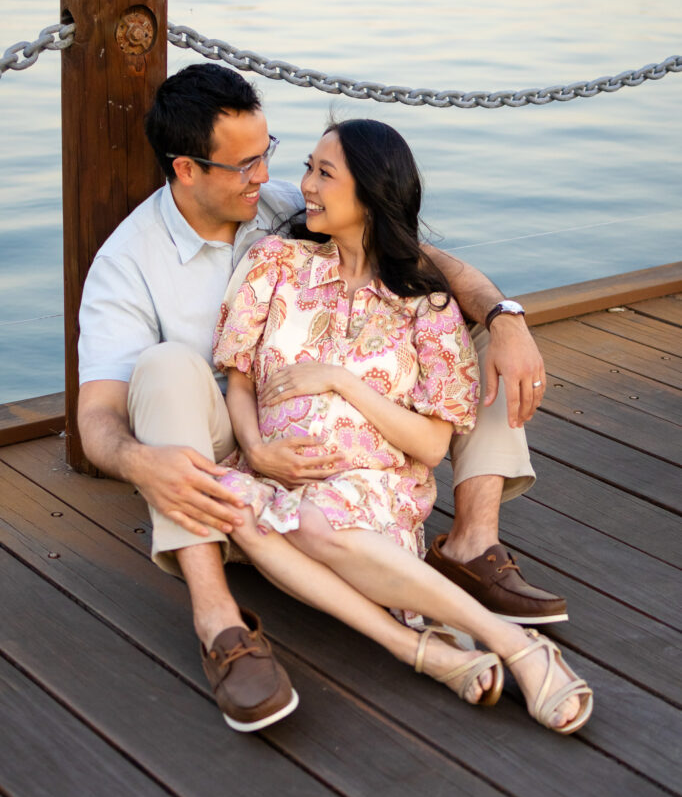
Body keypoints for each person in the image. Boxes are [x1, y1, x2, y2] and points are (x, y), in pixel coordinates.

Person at [77, 62, 563, 731]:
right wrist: (140, 462)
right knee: (163, 367)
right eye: (246, 164)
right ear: (187, 169)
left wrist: (507, 316)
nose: (269, 178)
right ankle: (220, 622)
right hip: (217, 439)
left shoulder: (283, 208)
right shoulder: (127, 265)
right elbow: (98, 418)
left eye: (269, 154)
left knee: (474, 329)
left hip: (348, 440)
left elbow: (420, 259)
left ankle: (471, 545)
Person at [209, 118, 593, 736]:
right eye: (307, 166)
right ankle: (426, 652)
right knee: (233, 504)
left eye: (323, 173)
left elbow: (433, 444)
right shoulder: (274, 263)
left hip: (374, 489)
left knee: (308, 519)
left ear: (371, 192)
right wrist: (256, 448)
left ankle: (510, 644)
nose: (304, 184)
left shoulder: (426, 305)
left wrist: (339, 379)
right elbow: (240, 379)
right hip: (276, 472)